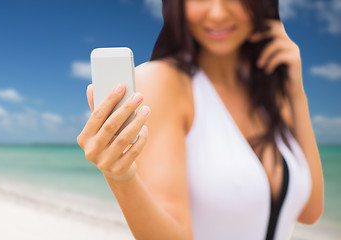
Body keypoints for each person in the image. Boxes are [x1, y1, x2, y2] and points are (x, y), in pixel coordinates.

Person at [76, 0, 324, 239]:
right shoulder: (161, 83)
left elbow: (308, 211)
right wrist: (121, 177)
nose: (217, 13)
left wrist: (296, 94)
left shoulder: (268, 91)